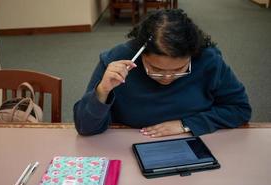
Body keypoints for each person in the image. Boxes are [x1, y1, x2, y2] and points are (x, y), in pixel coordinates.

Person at [73, 9, 251, 137]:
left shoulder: (208, 60)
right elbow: (85, 127)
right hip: (129, 143)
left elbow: (239, 109)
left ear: (192, 55)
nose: (167, 78)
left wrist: (187, 125)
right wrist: (102, 91)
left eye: (179, 70)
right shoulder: (116, 60)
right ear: (140, 53)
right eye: (156, 69)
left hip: (196, 141)